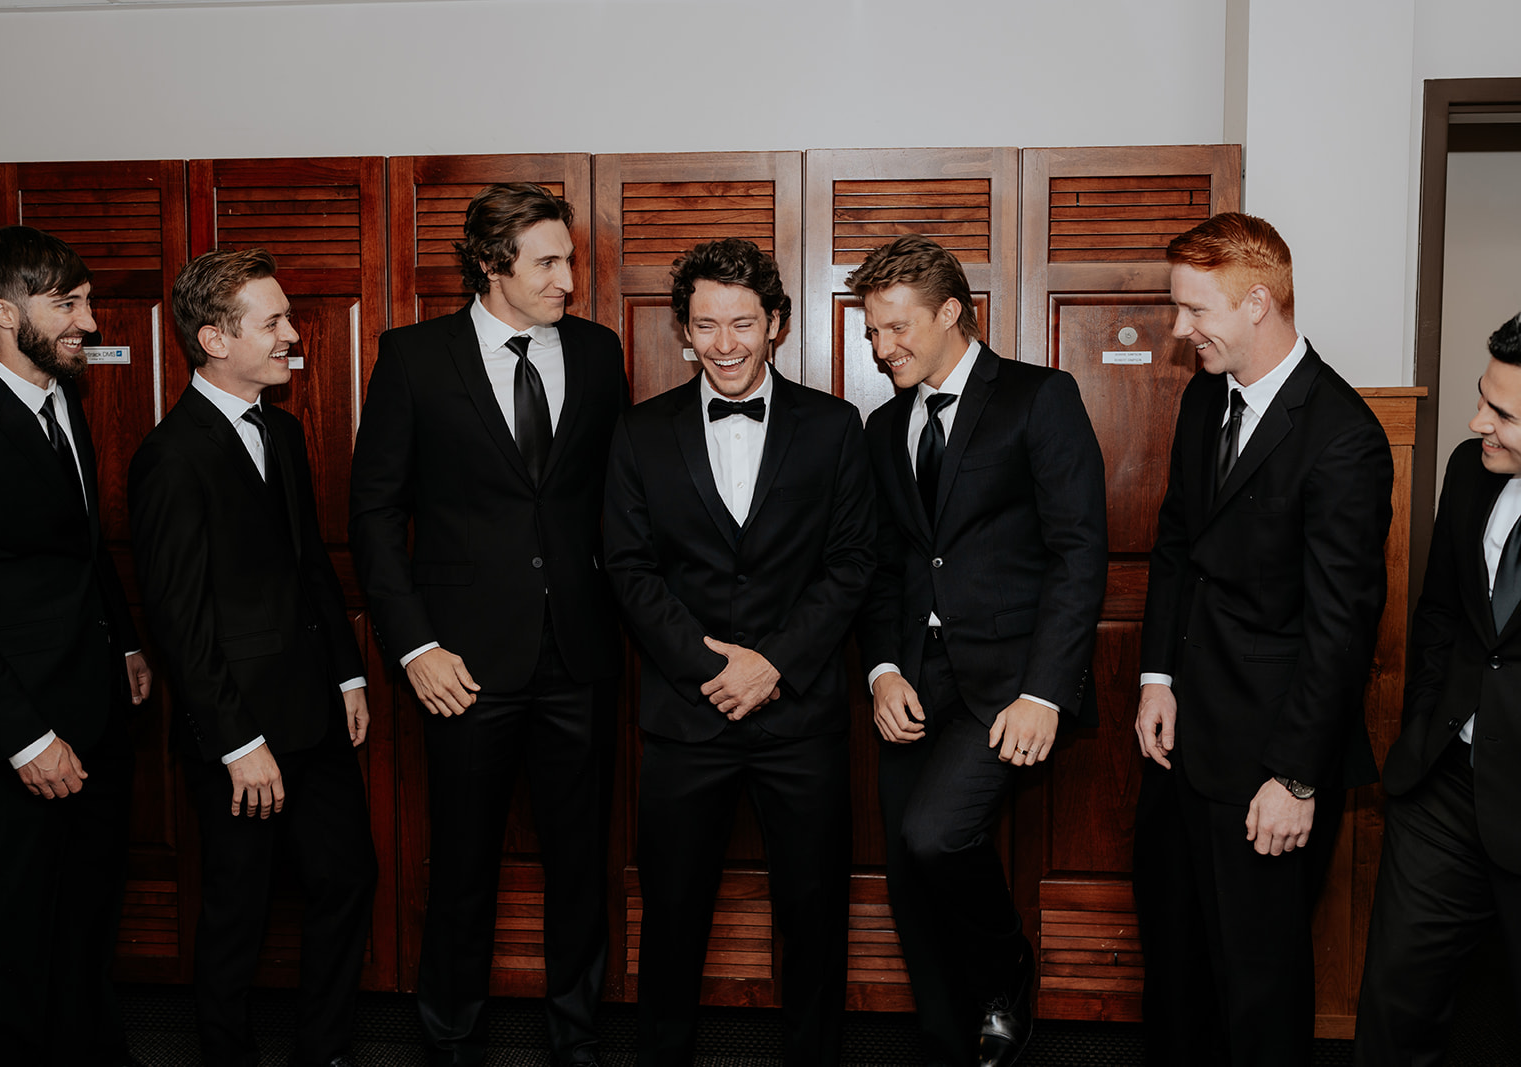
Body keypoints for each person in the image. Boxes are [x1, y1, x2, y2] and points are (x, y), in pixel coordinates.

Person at [349, 182, 627, 1067]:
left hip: (580, 655)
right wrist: (416, 647)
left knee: (582, 863)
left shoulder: (597, 351)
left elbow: (617, 504)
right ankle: (449, 1034)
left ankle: (579, 1035)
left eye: (569, 259)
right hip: (460, 664)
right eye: (547, 262)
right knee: (461, 866)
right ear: (490, 263)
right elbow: (373, 515)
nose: (568, 281)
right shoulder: (413, 357)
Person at [602, 237, 877, 1067]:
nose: (725, 344)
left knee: (814, 913)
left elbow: (854, 561)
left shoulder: (834, 426)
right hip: (687, 718)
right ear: (684, 330)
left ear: (778, 325)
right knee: (674, 914)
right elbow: (628, 565)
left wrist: (774, 665)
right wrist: (711, 666)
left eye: (743, 323)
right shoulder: (639, 432)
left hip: (801, 718)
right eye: (707, 325)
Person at [1132, 212, 1393, 1066]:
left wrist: (1294, 775)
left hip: (1267, 763)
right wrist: (1157, 675)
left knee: (1258, 986)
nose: (1180, 330)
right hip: (1179, 744)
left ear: (1256, 302)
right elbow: (1178, 544)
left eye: (1193, 311)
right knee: (1175, 969)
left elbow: (1340, 629)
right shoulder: (1207, 393)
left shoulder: (1344, 436)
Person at [848, 234, 1109, 1067]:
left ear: (951, 313)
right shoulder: (885, 426)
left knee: (934, 837)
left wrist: (1045, 691)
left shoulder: (1042, 397)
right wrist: (882, 669)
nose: (880, 346)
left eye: (895, 328)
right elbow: (888, 562)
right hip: (914, 686)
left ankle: (1007, 974)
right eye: (871, 330)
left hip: (1007, 687)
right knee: (906, 865)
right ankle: (944, 1031)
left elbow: (1080, 552)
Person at [129, 248, 376, 1067]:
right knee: (237, 910)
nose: (291, 334)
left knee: (347, 882)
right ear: (213, 337)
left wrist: (347, 674)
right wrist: (238, 745)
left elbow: (311, 569)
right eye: (271, 321)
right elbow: (179, 620)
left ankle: (326, 1049)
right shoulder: (171, 457)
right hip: (240, 737)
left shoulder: (285, 429)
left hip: (316, 717)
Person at [0, 225, 152, 1065]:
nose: (88, 322)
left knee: (88, 917)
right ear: (1, 311)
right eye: (68, 304)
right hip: (17, 734)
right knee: (18, 932)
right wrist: (25, 739)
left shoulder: (62, 401)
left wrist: (123, 642)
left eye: (85, 301)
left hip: (93, 710)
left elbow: (81, 552)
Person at [1353, 310, 1521, 1065]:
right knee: (1395, 1005)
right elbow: (1444, 614)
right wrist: (1425, 718)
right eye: (1485, 397)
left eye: (1504, 412)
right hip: (1445, 784)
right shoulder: (1467, 467)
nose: (1477, 419)